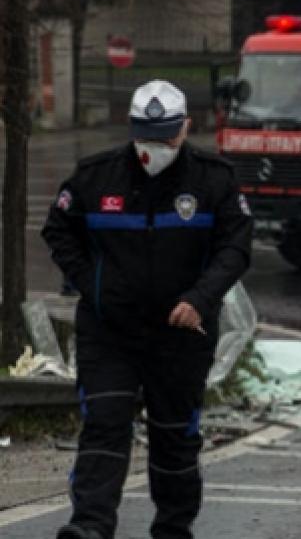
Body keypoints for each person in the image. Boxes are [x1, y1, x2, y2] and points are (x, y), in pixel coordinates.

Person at [42, 80, 253, 539]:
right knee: (104, 423)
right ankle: (90, 525)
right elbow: (59, 232)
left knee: (175, 435)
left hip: (181, 335)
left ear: (185, 128)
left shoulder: (212, 179)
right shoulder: (95, 177)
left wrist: (199, 299)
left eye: (165, 136)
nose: (154, 147)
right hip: (109, 331)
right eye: (146, 135)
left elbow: (235, 248)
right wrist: (95, 288)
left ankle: (174, 528)